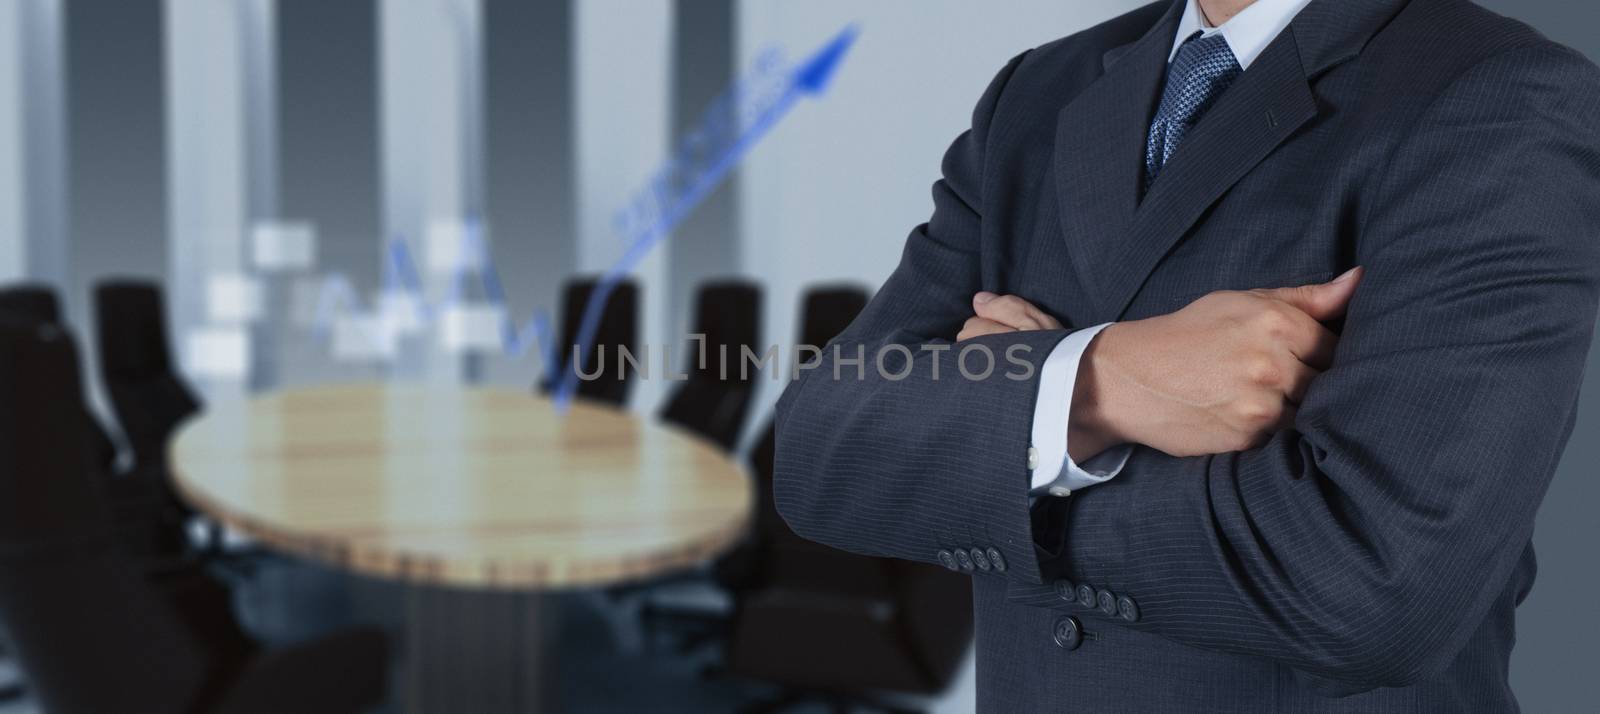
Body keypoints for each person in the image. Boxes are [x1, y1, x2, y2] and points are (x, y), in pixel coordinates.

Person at [771, 0, 1600, 710]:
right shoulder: (1036, 94)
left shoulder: (1499, 95)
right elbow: (818, 450)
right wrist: (1094, 384)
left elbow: (1372, 587)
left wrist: (1009, 446)